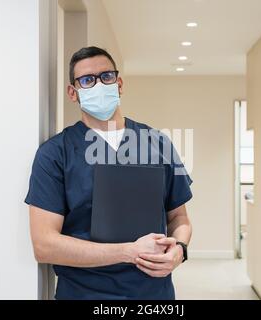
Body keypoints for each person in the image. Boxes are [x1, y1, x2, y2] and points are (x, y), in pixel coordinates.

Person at [25, 46, 193, 300]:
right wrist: (128, 251)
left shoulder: (159, 143)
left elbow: (179, 218)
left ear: (119, 83)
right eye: (87, 80)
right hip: (84, 294)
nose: (99, 85)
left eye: (106, 77)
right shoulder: (55, 153)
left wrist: (179, 249)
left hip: (152, 295)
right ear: (73, 92)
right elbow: (44, 245)